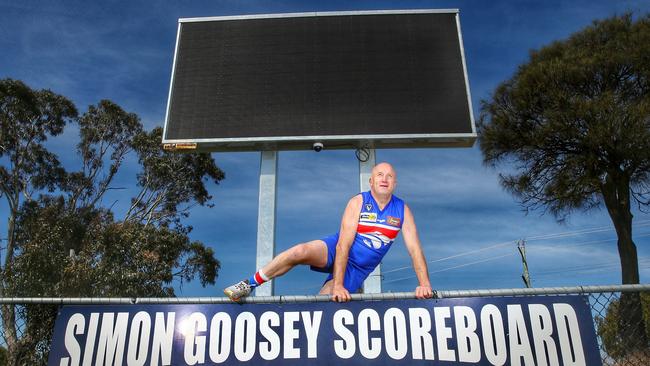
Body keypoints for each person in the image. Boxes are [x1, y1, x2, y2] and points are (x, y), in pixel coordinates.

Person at [224, 162, 433, 302]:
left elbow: (415, 251)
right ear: (371, 181)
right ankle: (248, 284)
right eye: (379, 174)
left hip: (357, 269)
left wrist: (424, 285)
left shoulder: (402, 210)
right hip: (337, 248)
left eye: (389, 176)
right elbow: (344, 244)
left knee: (326, 301)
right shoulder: (358, 202)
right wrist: (339, 284)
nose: (384, 179)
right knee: (299, 251)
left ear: (395, 183)